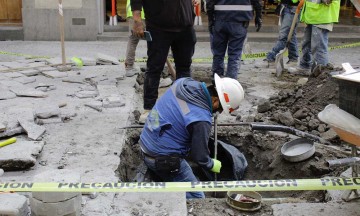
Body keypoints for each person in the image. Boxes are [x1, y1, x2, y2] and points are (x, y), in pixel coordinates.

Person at [139, 74, 245, 199]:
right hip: (162, 160)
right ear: (216, 101)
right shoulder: (201, 120)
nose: (218, 113)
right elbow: (200, 157)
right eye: (221, 109)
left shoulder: (182, 84)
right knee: (198, 197)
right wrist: (211, 164)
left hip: (146, 143)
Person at [131, 0, 200, 123]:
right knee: (154, 68)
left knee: (184, 69)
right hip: (159, 27)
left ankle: (183, 108)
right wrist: (137, 19)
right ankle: (149, 108)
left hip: (185, 26)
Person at [206, 0, 262, 79]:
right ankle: (230, 82)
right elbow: (257, 2)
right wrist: (258, 15)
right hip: (239, 21)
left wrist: (211, 20)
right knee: (234, 54)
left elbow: (210, 3)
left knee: (218, 53)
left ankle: (216, 79)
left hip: (220, 20)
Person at [288, 0, 340, 77]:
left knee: (319, 47)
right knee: (306, 44)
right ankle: (304, 67)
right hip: (312, 16)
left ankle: (321, 75)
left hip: (322, 17)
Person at [263, 0, 300, 67]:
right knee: (290, 34)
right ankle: (293, 58)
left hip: (292, 8)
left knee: (284, 35)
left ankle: (272, 57)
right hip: (285, 7)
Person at [124, 0, 145, 77]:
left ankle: (129, 67)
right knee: (153, 41)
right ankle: (153, 67)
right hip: (142, 14)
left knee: (132, 41)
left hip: (133, 14)